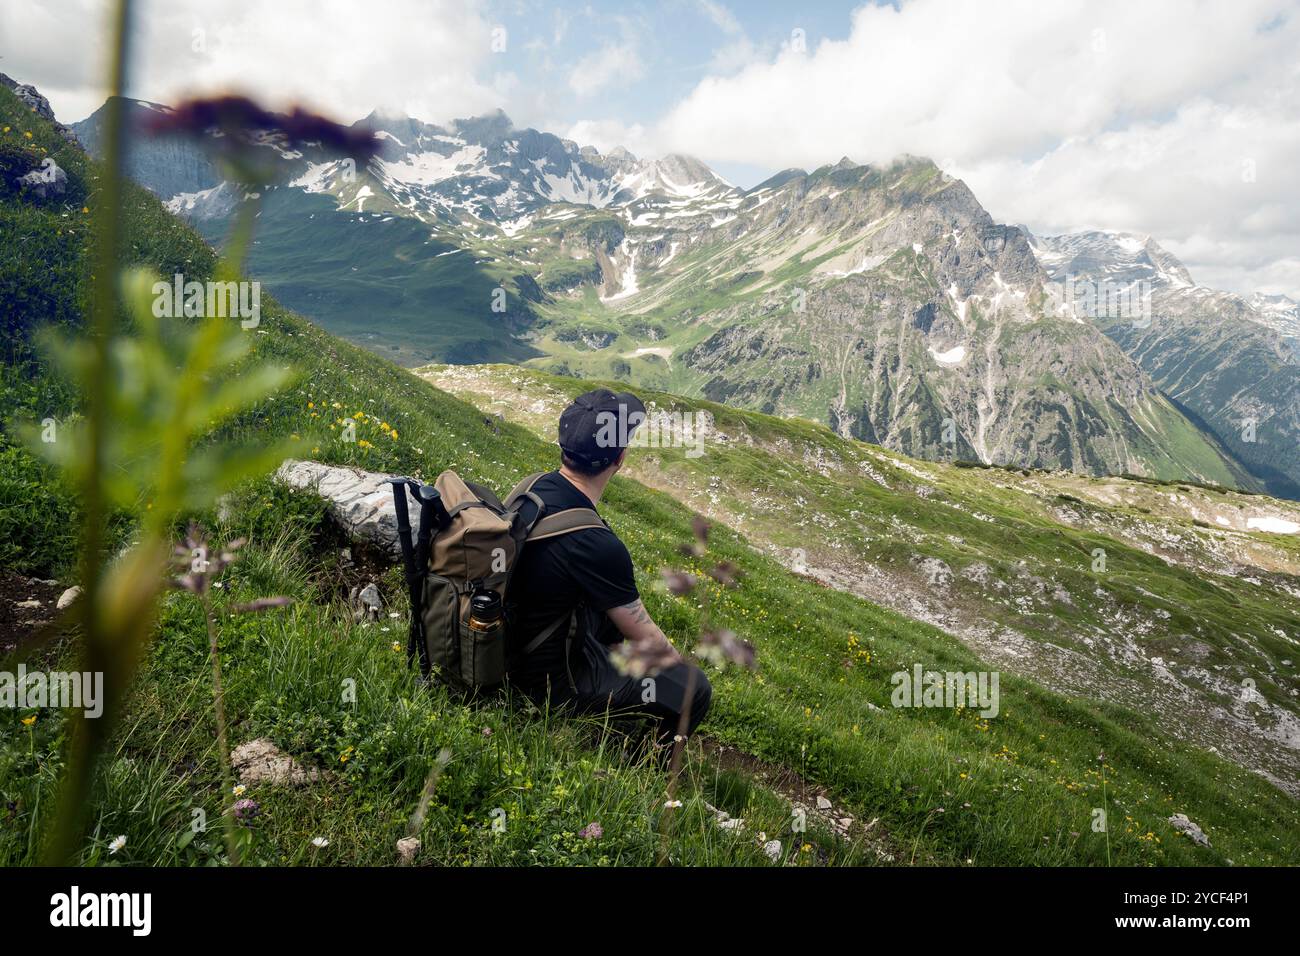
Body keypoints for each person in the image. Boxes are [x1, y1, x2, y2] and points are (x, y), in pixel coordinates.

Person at [505, 388, 712, 755]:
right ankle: (646, 765)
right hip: (548, 684)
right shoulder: (596, 544)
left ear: (564, 446)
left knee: (612, 624)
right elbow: (652, 643)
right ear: (619, 458)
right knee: (694, 688)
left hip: (510, 640)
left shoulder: (533, 488)